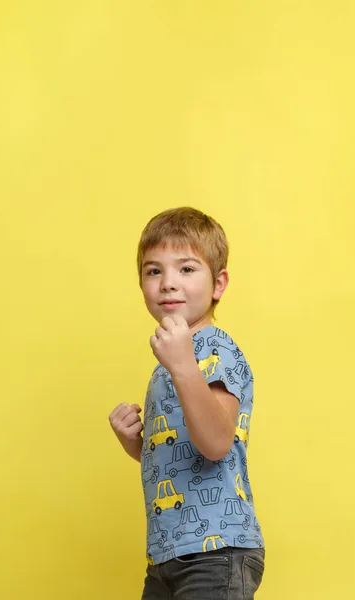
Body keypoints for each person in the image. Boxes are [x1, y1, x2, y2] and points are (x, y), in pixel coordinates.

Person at [109, 207, 265, 599]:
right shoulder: (169, 363)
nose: (168, 284)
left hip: (216, 551)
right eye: (153, 270)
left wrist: (182, 366)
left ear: (219, 283)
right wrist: (138, 445)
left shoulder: (214, 346)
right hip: (167, 554)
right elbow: (179, 454)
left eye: (187, 269)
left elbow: (215, 443)